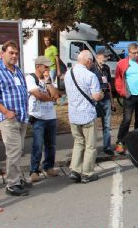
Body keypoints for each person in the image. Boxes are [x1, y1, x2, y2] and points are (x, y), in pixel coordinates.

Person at [0, 40, 30, 196]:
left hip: (21, 117)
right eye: (11, 53)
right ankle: (12, 184)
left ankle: (16, 178)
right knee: (14, 150)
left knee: (18, 150)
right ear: (3, 54)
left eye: (16, 53)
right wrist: (5, 111)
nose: (14, 56)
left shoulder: (18, 70)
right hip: (7, 118)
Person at [64, 50, 103, 183]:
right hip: (87, 114)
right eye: (91, 62)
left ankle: (75, 170)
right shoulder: (90, 75)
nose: (91, 64)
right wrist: (102, 94)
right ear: (88, 61)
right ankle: (87, 173)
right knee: (90, 146)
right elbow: (96, 96)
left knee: (78, 142)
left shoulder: (68, 73)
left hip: (73, 114)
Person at [27, 56, 60, 182]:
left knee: (51, 144)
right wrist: (51, 98)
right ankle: (34, 170)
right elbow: (38, 95)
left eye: (48, 66)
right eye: (45, 66)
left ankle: (49, 166)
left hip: (51, 116)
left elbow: (56, 94)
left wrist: (48, 82)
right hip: (38, 117)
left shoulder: (48, 79)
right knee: (37, 144)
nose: (48, 69)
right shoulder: (30, 78)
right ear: (38, 67)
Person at [114, 43, 138, 154]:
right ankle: (120, 143)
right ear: (129, 53)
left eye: (137, 52)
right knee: (126, 120)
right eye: (134, 53)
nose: (136, 55)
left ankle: (137, 142)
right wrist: (122, 92)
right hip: (129, 96)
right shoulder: (122, 63)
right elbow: (117, 79)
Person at [91, 50, 115, 155]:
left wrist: (112, 101)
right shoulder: (92, 68)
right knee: (92, 125)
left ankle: (107, 147)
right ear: (98, 56)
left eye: (107, 57)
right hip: (95, 100)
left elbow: (109, 84)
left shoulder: (106, 68)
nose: (106, 59)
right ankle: (92, 149)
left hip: (105, 99)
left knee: (107, 125)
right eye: (105, 57)